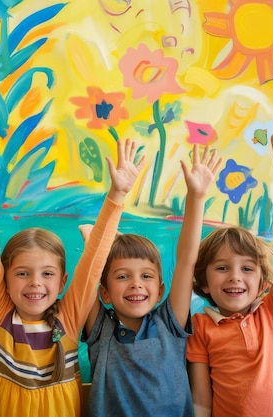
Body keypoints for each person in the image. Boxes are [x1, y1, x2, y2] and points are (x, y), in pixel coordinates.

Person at [0, 124, 146, 416]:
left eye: (47, 274)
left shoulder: (69, 319)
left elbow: (94, 261)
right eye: (22, 273)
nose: (35, 283)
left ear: (63, 281)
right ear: (5, 279)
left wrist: (117, 195)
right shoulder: (1, 312)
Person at [80, 144, 221, 416]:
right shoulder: (101, 331)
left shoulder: (169, 323)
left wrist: (197, 197)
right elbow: (87, 280)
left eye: (146, 276)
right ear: (105, 293)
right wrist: (116, 195)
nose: (136, 283)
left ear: (160, 290)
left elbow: (186, 261)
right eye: (123, 276)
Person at [187, 115, 273, 417]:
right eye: (221, 268)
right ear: (203, 283)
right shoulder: (200, 327)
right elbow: (202, 401)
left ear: (262, 282)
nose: (235, 277)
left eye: (247, 268)